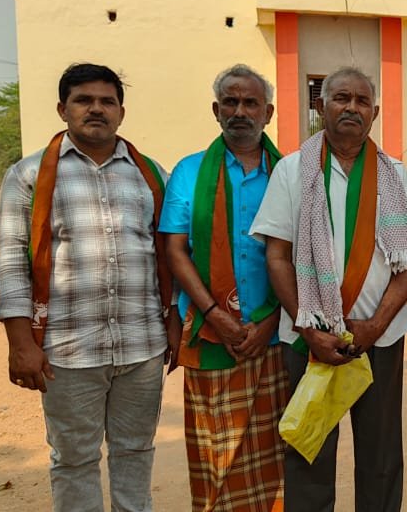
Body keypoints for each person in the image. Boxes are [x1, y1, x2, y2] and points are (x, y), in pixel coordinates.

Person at [0, 62, 174, 512]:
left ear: (121, 112)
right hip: (68, 351)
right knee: (74, 460)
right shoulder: (30, 175)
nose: (96, 109)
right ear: (62, 109)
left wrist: (172, 322)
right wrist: (20, 344)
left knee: (136, 452)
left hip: (142, 347)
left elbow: (169, 254)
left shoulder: (151, 174)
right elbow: (10, 263)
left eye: (107, 101)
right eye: (84, 100)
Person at [252, 66, 407, 512]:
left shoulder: (395, 175)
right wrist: (309, 328)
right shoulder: (293, 170)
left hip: (379, 339)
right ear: (320, 106)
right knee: (308, 451)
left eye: (362, 101)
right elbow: (277, 256)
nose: (352, 107)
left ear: (375, 112)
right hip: (309, 339)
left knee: (381, 456)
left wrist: (375, 325)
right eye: (341, 98)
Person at [160, 64, 287, 511]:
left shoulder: (289, 173)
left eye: (251, 103)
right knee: (215, 456)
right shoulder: (190, 172)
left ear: (268, 113)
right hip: (210, 333)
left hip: (276, 336)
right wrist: (216, 315)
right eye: (230, 102)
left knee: (273, 456)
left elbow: (303, 257)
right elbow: (175, 250)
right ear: (216, 110)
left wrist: (270, 319)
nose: (240, 112)